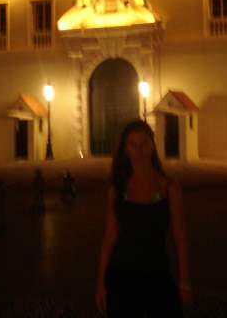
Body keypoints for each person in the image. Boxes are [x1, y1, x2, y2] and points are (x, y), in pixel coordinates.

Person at [95, 120, 192, 316]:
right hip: (122, 276)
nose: (139, 150)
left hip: (157, 274)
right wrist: (100, 283)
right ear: (125, 150)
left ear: (153, 146)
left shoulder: (169, 188)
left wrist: (184, 281)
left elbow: (180, 239)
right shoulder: (117, 190)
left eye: (144, 143)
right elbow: (109, 239)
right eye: (133, 144)